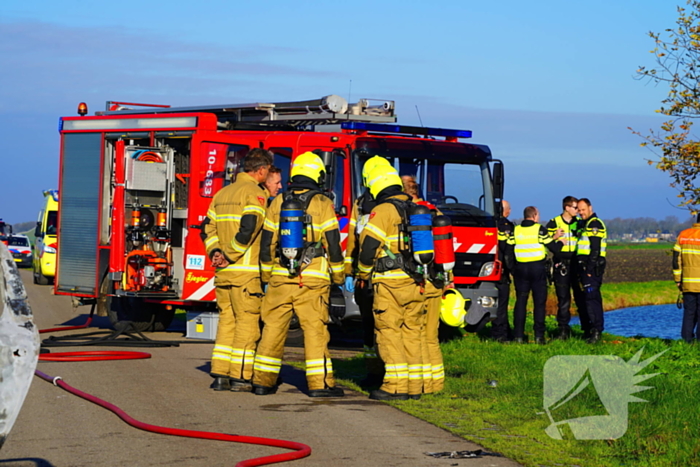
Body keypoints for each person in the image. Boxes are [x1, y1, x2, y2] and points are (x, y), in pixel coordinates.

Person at [252, 151, 345, 397]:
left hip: (280, 277)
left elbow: (267, 243)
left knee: (272, 329)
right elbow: (333, 243)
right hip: (312, 279)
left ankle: (262, 381)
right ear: (318, 175)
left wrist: (266, 276)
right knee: (315, 331)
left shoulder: (278, 201)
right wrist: (338, 276)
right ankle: (320, 385)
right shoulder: (323, 203)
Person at [203, 148, 272, 391]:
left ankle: (220, 374)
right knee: (247, 324)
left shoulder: (222, 193)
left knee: (227, 322)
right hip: (244, 272)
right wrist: (230, 255)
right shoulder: (255, 193)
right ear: (261, 170)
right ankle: (240, 376)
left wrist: (216, 254)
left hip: (223, 274)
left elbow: (207, 229)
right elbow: (249, 228)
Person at [358, 165, 426, 401]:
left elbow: (368, 248)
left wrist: (363, 274)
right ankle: (415, 387)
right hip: (416, 282)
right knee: (412, 333)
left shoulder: (384, 210)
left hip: (390, 284)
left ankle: (395, 386)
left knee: (389, 333)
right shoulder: (415, 208)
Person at [345, 156, 392, 387]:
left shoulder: (371, 204)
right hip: (373, 275)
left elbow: (359, 241)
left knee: (378, 325)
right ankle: (376, 371)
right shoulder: (364, 203)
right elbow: (355, 239)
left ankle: (382, 372)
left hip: (376, 274)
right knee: (372, 325)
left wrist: (353, 270)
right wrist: (349, 269)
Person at [401, 174, 446, 394]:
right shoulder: (434, 211)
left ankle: (416, 384)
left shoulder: (404, 212)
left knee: (413, 335)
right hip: (436, 282)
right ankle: (434, 385)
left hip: (415, 283)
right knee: (431, 337)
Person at [507, 206, 562, 344]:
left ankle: (518, 336)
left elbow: (508, 251)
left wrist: (512, 268)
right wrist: (560, 242)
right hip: (537, 269)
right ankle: (539, 336)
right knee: (539, 304)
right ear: (535, 215)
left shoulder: (516, 230)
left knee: (521, 303)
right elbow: (553, 248)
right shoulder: (539, 229)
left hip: (520, 269)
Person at [546, 196, 584, 340]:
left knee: (580, 296)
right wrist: (555, 237)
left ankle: (585, 329)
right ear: (567, 208)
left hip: (576, 262)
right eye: (575, 208)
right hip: (561, 263)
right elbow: (545, 242)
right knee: (563, 298)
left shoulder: (580, 223)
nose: (578, 211)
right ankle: (563, 330)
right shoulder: (553, 222)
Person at [575, 198, 607, 344]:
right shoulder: (585, 224)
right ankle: (590, 331)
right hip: (585, 268)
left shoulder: (594, 224)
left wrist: (589, 269)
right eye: (579, 210)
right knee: (587, 300)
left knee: (592, 300)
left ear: (590, 208)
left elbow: (595, 249)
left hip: (591, 269)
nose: (581, 213)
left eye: (583, 209)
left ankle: (596, 332)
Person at [673, 214, 700, 343]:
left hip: (688, 282)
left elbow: (676, 259)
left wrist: (678, 279)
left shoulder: (683, 235)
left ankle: (687, 341)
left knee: (689, 313)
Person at [492, 200, 514, 343]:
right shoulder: (506, 226)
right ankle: (501, 333)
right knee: (502, 303)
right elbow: (508, 251)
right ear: (505, 211)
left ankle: (499, 329)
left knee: (495, 302)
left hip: (490, 269)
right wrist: (512, 269)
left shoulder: (490, 223)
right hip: (502, 271)